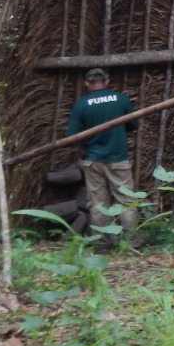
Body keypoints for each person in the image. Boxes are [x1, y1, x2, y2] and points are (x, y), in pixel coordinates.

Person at [67, 67, 140, 244]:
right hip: (118, 160)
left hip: (93, 161)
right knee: (127, 201)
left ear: (87, 84)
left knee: (98, 204)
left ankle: (102, 243)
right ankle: (131, 242)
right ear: (106, 81)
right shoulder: (120, 99)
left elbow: (72, 134)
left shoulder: (82, 104)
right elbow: (134, 125)